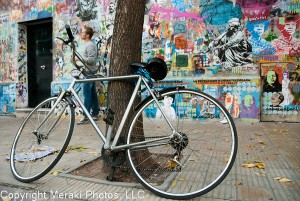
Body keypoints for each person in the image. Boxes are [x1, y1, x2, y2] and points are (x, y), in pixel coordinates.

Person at [77, 25, 100, 124]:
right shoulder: (89, 44)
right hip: (89, 72)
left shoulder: (90, 45)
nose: (81, 34)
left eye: (82, 33)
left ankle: (86, 116)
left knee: (87, 95)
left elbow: (91, 60)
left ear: (87, 35)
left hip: (89, 74)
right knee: (93, 94)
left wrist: (79, 59)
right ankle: (95, 113)